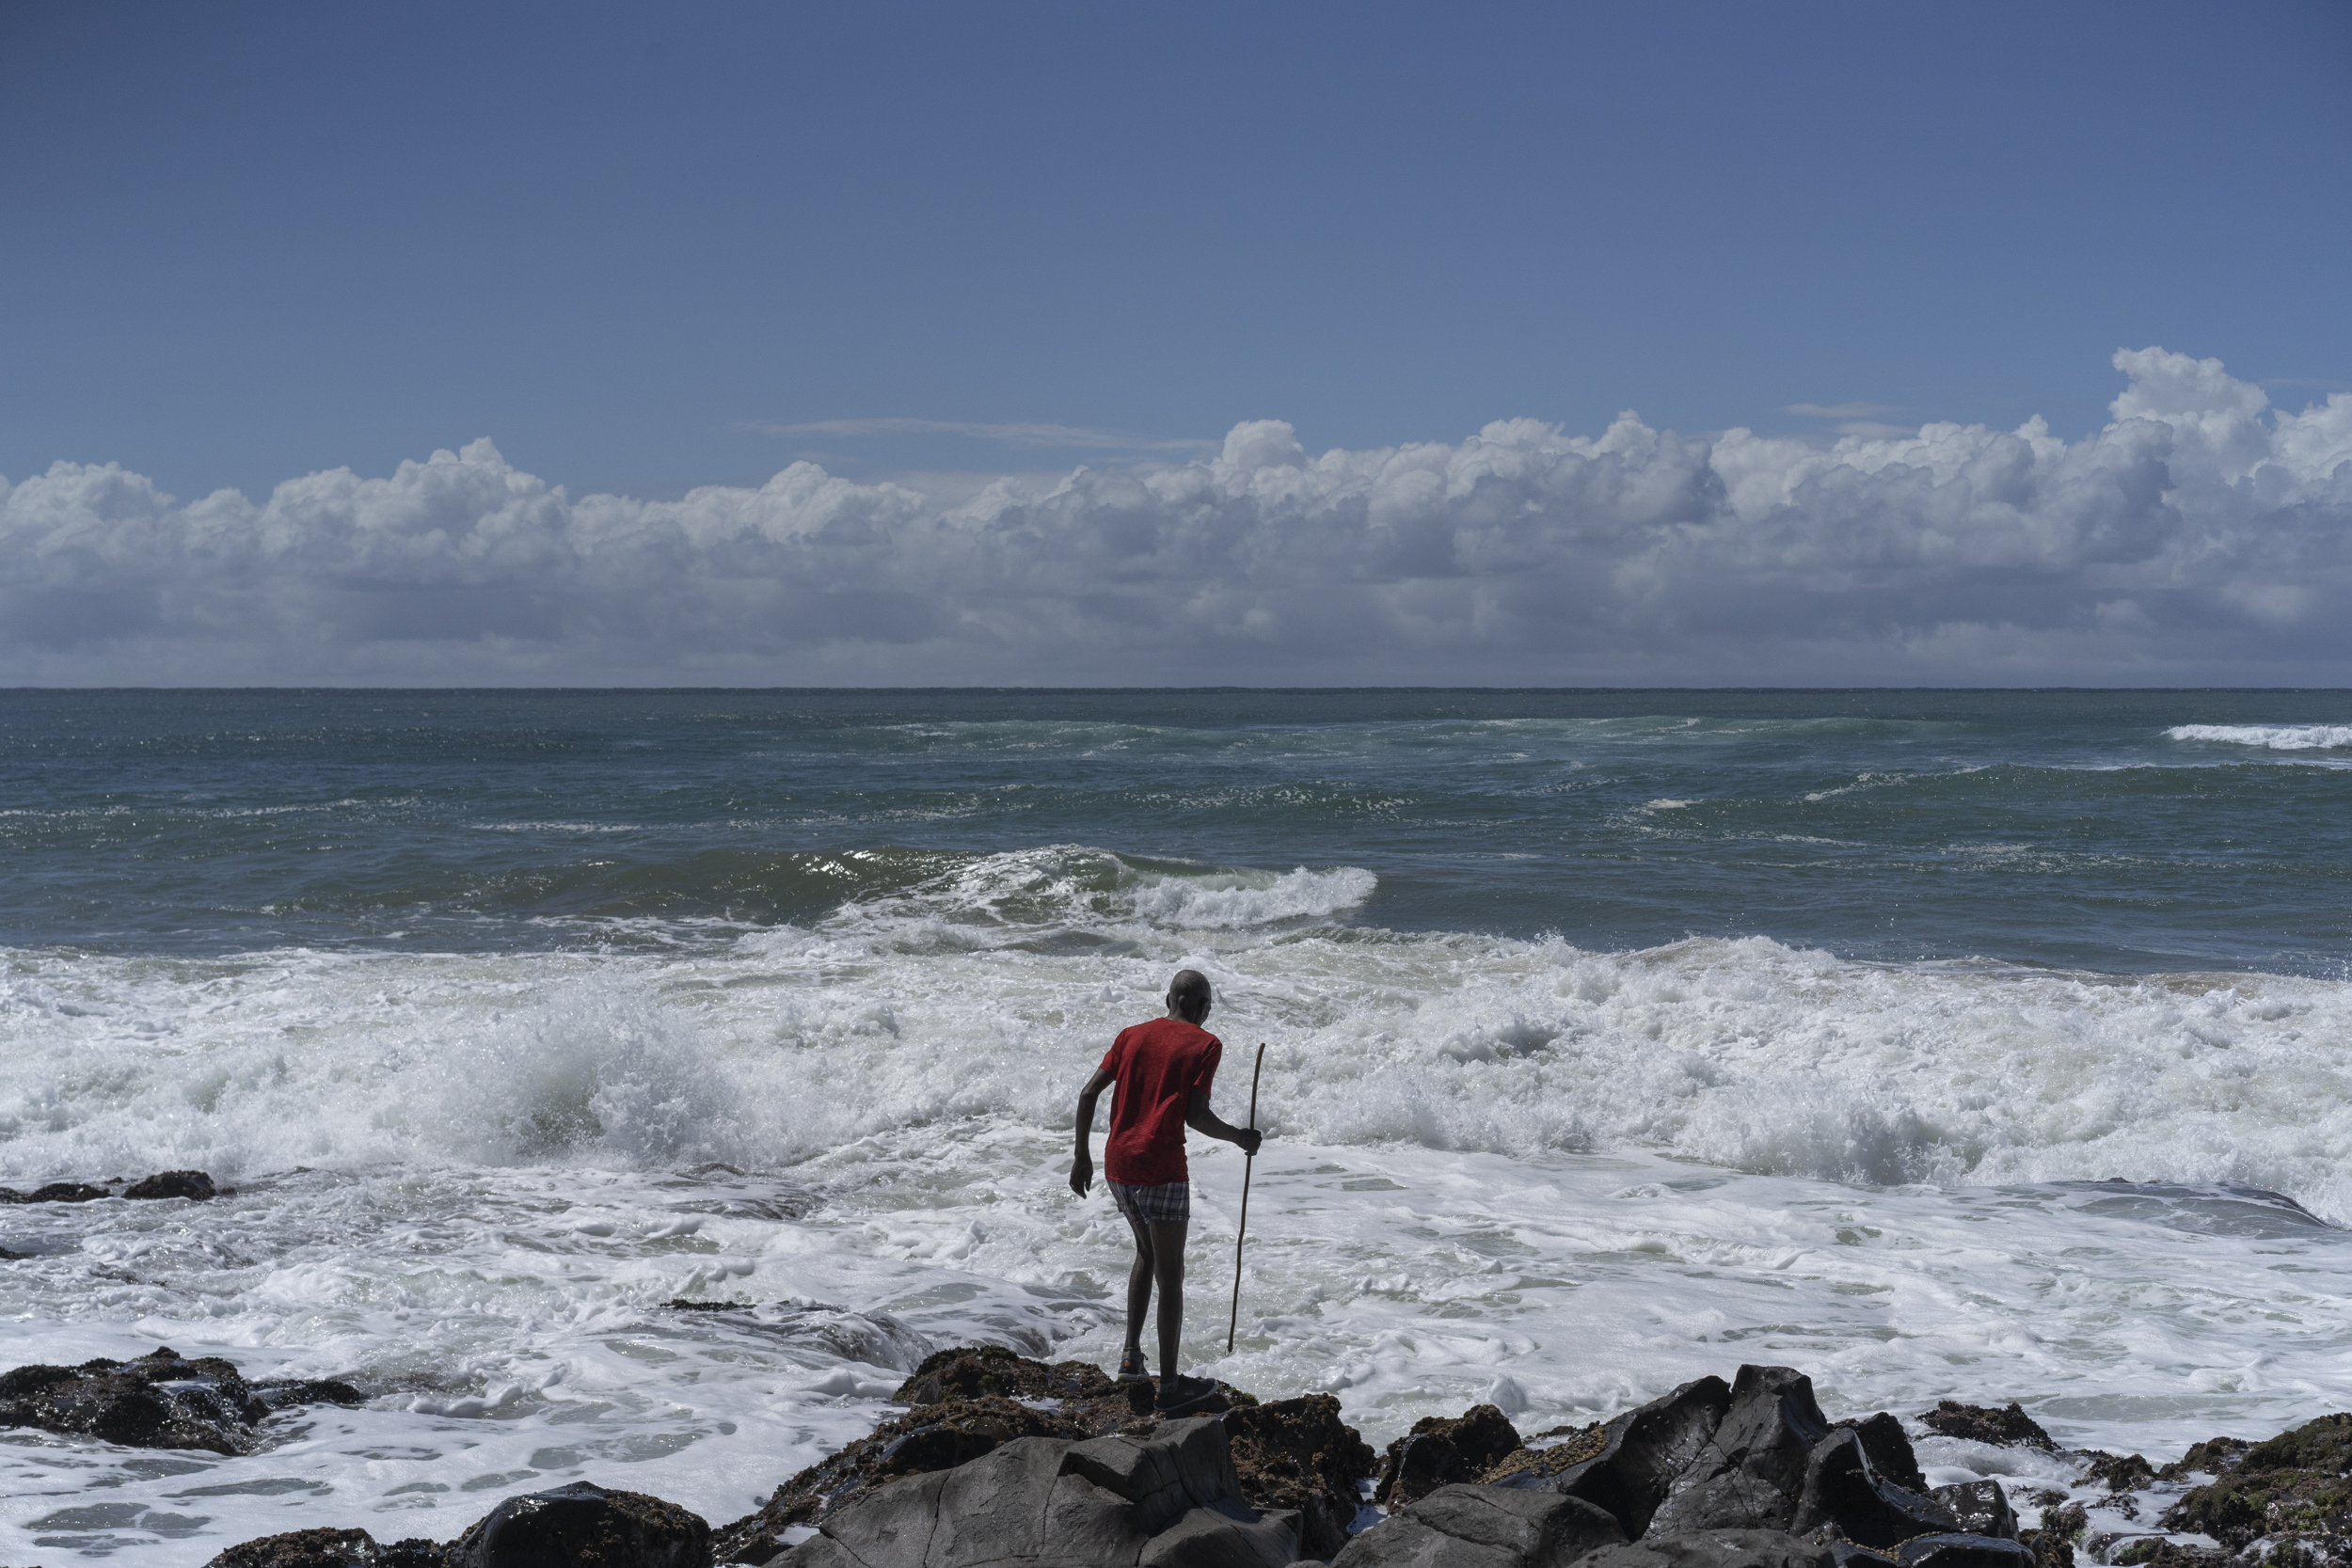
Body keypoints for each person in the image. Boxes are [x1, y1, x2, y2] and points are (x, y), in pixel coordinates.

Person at [1069, 968, 1263, 1414]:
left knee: (1146, 1253)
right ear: (1200, 1007)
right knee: (1170, 1276)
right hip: (1161, 1167)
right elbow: (1196, 1117)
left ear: (1168, 999)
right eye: (1208, 1007)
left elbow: (1087, 1094)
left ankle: (1131, 1358)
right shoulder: (1206, 1044)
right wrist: (1240, 1138)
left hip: (1118, 1166)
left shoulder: (1131, 1035)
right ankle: (1172, 1387)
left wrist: (1081, 1156)